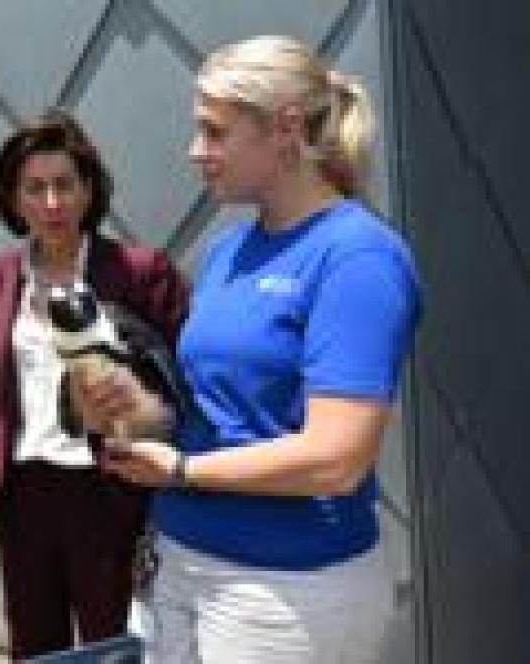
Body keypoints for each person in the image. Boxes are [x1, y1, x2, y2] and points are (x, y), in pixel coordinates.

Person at [75, 36, 424, 663]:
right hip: (180, 563)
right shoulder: (226, 253)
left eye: (214, 132)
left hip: (286, 589)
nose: (195, 152)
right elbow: (211, 415)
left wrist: (182, 472)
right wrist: (133, 408)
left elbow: (337, 458)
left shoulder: (357, 259)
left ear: (285, 128)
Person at [0, 108, 190, 660]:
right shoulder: (4, 274)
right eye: (35, 188)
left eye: (65, 185)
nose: (52, 203)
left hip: (109, 489)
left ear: (89, 190)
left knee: (113, 642)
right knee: (34, 644)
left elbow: (185, 379)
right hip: (24, 491)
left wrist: (145, 423)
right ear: (13, 200)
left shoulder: (138, 271)